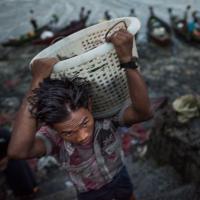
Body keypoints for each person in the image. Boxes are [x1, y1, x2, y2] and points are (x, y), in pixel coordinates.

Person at [8, 30, 152, 200]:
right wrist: (37, 80)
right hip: (90, 192)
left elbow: (144, 113)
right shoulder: (54, 139)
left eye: (85, 123)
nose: (82, 136)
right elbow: (17, 151)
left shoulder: (105, 117)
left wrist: (127, 61)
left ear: (90, 105)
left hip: (119, 175)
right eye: (68, 132)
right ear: (53, 128)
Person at [0, 128, 38, 198]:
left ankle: (31, 190)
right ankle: (20, 194)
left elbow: (14, 145)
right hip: (2, 164)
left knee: (18, 167)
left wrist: (6, 159)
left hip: (12, 158)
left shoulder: (3, 133)